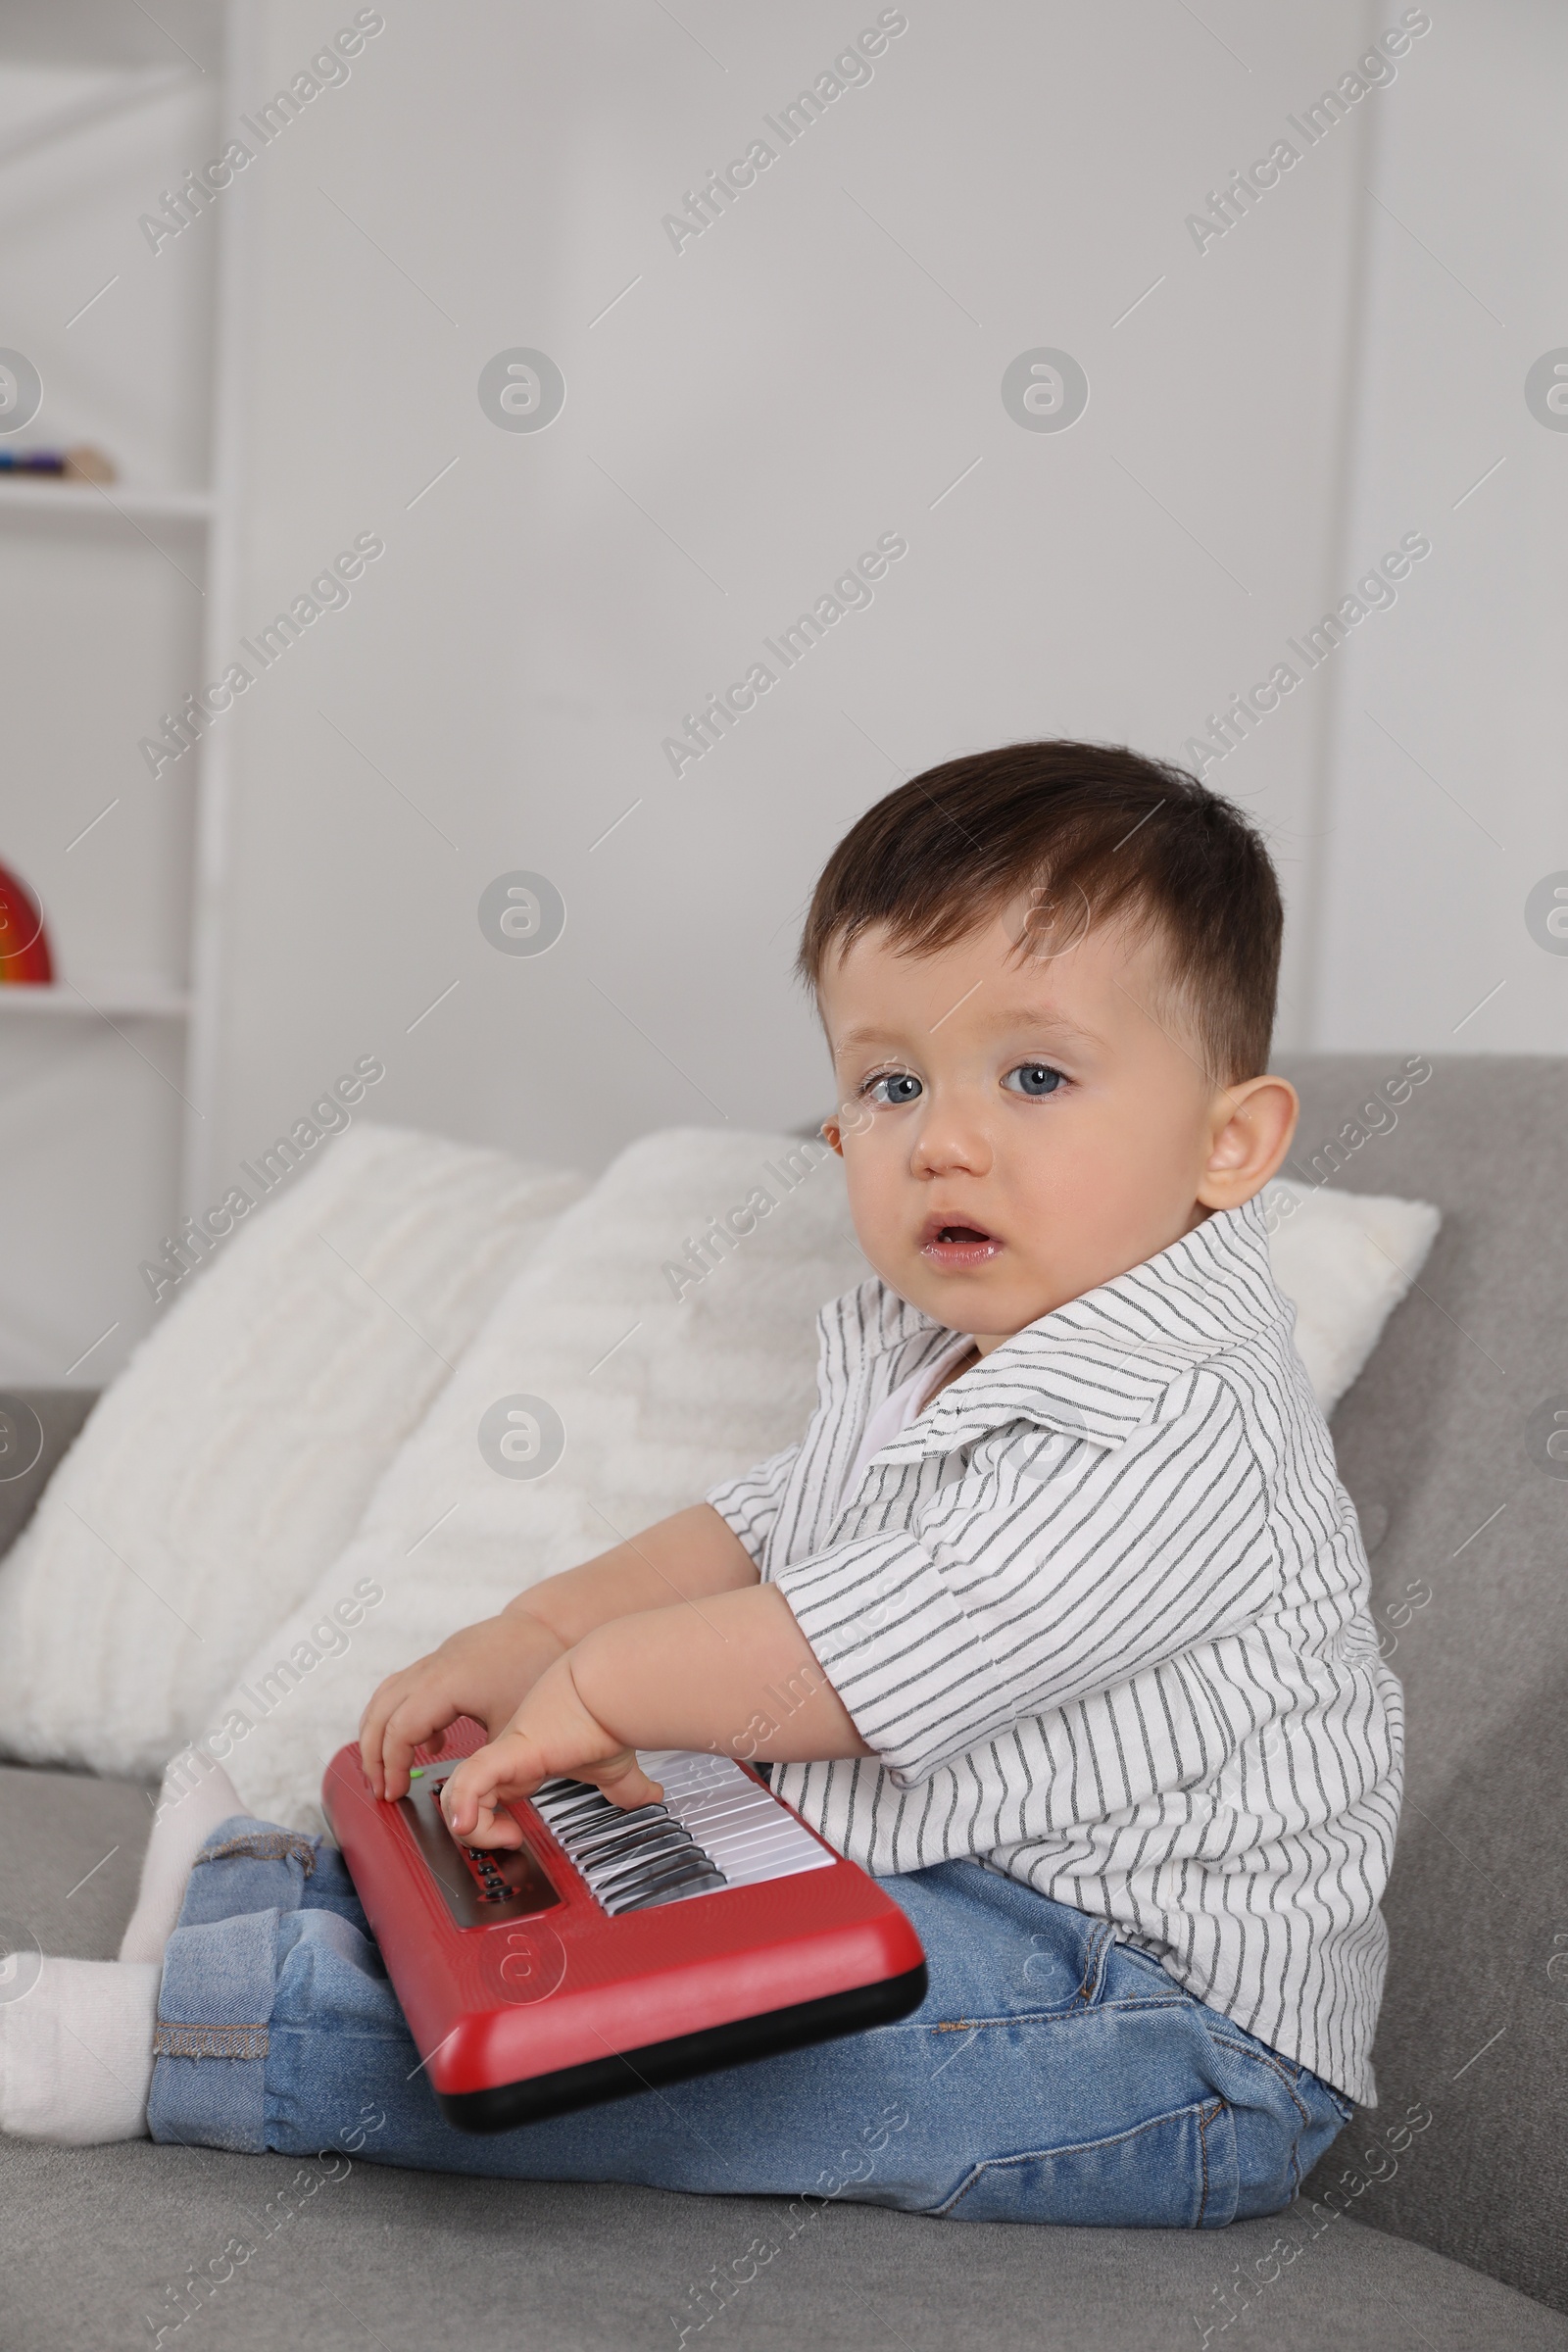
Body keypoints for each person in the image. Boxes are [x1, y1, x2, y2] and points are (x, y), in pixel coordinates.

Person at [0, 741, 1398, 2228]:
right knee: (582, 1865)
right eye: (891, 1080)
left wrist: (598, 1695)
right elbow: (753, 1533)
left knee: (678, 2059)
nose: (946, 1141)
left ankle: (191, 2041)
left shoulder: (1179, 1422)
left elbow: (847, 1665)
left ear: (1229, 1143)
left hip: (1158, 2032)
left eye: (1037, 1075)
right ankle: (232, 1906)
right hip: (939, 1884)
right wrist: (540, 1628)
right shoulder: (938, 1346)